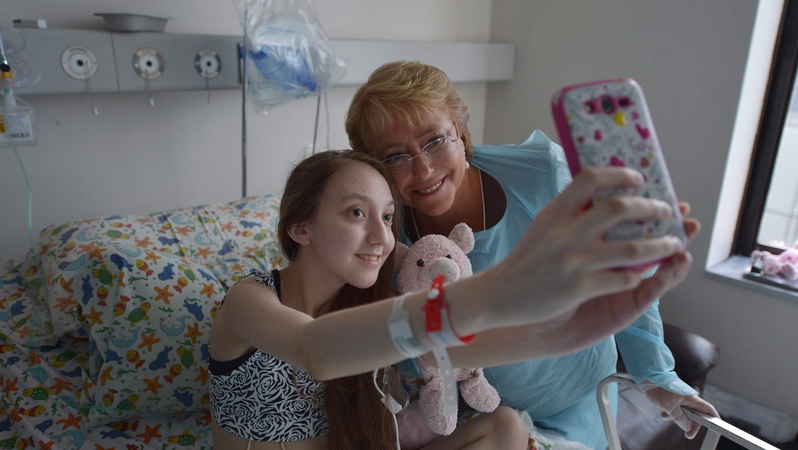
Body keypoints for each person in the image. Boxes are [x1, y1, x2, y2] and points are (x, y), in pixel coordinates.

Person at [208, 149, 692, 450]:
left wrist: (559, 333)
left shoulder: (364, 303)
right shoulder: (249, 302)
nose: (381, 236)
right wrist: (498, 291)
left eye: (388, 217)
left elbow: (449, 351)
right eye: (356, 213)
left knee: (504, 427)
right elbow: (315, 349)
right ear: (301, 228)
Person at [345, 60, 718, 449]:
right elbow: (400, 342)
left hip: (578, 402)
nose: (423, 169)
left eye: (435, 141)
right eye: (396, 157)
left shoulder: (544, 176)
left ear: (460, 129)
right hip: (479, 416)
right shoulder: (383, 234)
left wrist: (656, 376)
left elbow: (627, 268)